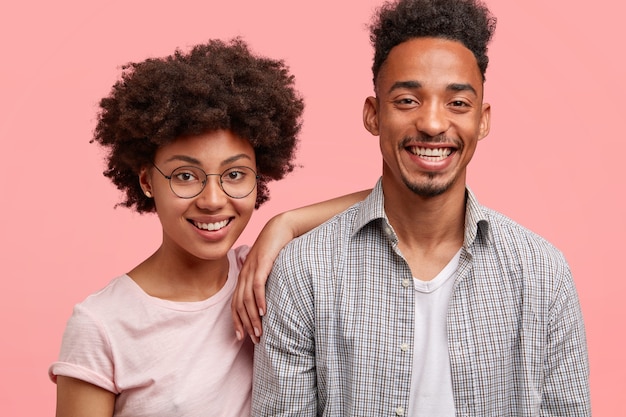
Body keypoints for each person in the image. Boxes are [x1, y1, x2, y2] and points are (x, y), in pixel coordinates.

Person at [248, 0, 591, 415]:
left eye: (457, 103)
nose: (431, 123)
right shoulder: (305, 272)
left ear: (482, 120)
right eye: (408, 100)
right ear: (373, 115)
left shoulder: (543, 273)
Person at [48, 38, 367, 417]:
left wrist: (285, 223)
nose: (213, 199)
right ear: (147, 180)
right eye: (186, 175)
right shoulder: (101, 325)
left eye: (235, 174)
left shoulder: (264, 275)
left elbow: (394, 201)